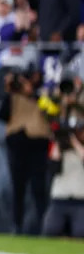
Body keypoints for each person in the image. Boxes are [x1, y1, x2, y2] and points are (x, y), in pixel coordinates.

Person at [0, 67, 52, 234]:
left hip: (38, 147)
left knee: (39, 189)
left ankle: (43, 226)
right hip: (18, 148)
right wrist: (9, 90)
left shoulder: (43, 96)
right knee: (18, 189)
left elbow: (51, 112)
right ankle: (17, 226)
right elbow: (2, 115)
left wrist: (32, 93)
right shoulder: (13, 97)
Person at [43, 101, 84, 238]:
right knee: (51, 230)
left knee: (80, 233)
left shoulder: (80, 150)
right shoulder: (60, 151)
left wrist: (74, 141)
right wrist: (58, 140)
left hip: (80, 201)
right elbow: (53, 167)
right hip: (59, 200)